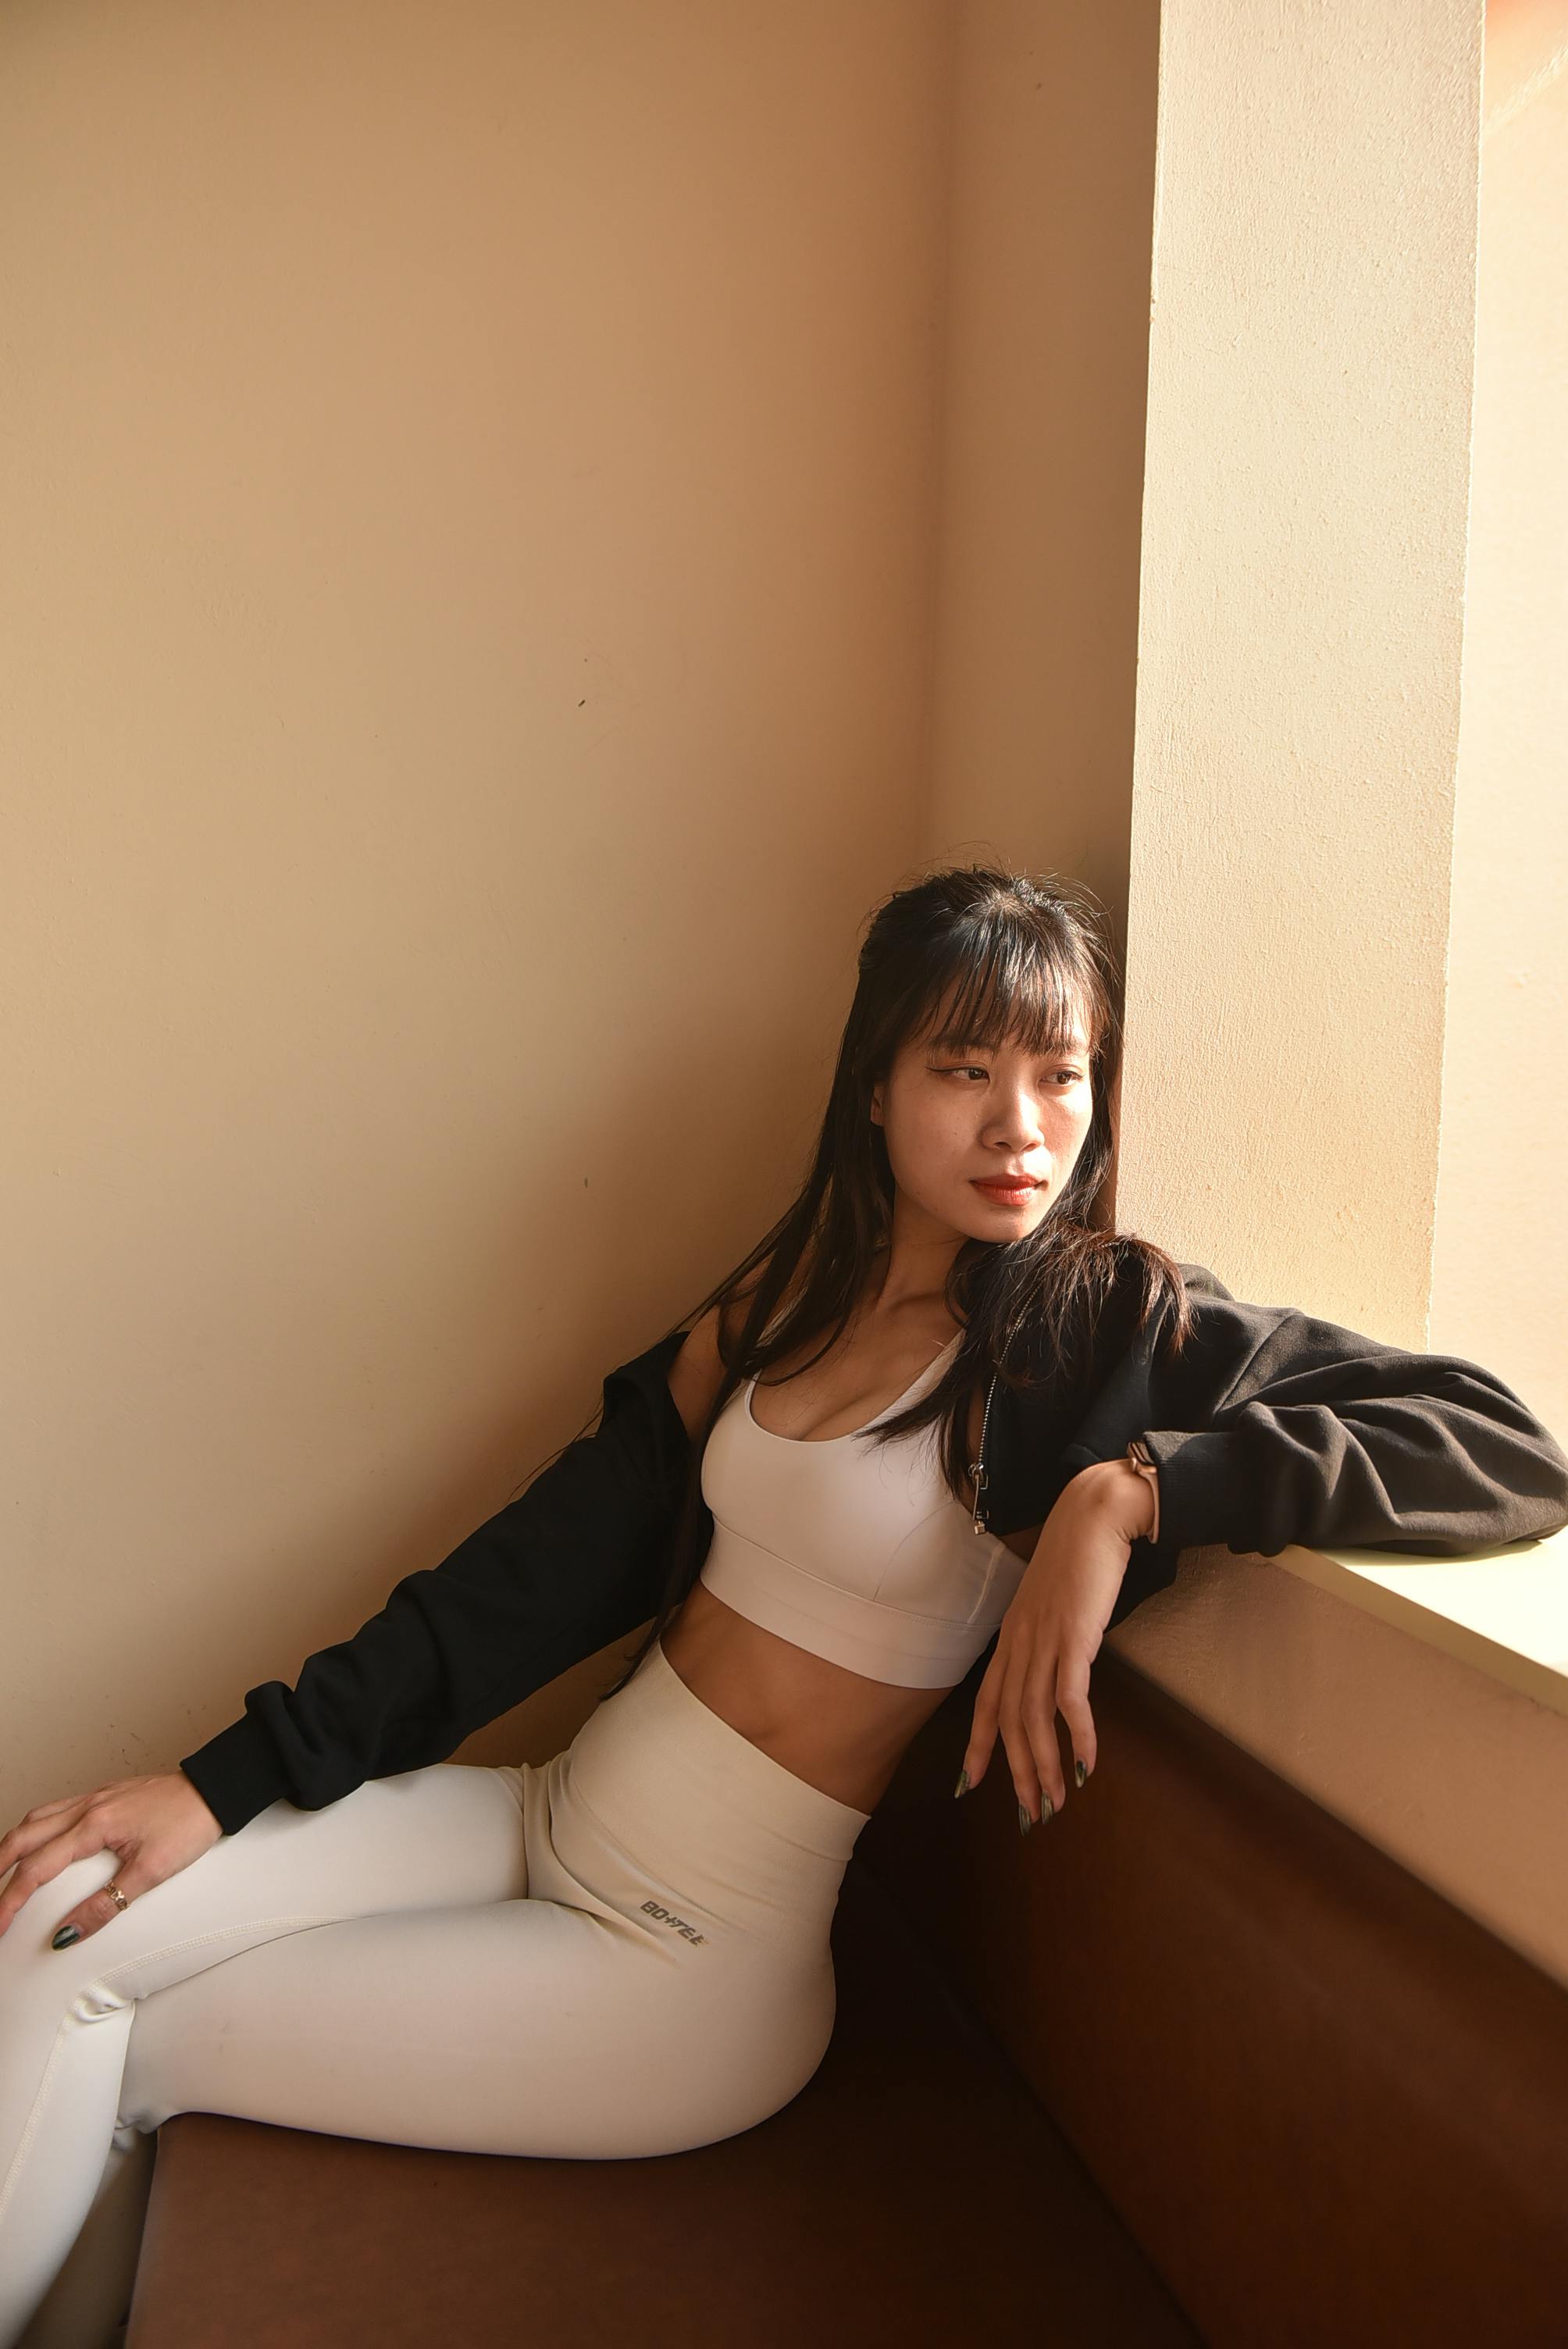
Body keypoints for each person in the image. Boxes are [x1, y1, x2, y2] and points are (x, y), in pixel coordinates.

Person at [3, 863, 1565, 2348]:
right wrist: (223, 1779)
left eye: (1062, 1074)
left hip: (679, 1969)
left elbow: (1502, 1444)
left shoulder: (1091, 1329)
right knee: (54, 1917)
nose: (1022, 1126)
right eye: (964, 1068)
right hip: (543, 1818)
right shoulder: (786, 1298)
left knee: (142, 2033)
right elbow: (523, 1580)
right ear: (873, 1084)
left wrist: (1127, 1489)